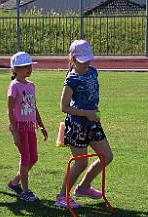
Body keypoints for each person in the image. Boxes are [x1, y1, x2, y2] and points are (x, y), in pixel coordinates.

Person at [55, 40, 113, 208]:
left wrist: (95, 112)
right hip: (77, 126)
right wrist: (87, 113)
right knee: (81, 162)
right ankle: (61, 197)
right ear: (72, 59)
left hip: (93, 123)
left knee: (107, 156)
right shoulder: (72, 79)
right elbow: (63, 107)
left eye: (88, 59)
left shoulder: (93, 72)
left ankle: (84, 187)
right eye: (82, 60)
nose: (87, 63)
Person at [6, 51, 48, 202]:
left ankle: (14, 183)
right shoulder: (14, 86)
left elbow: (34, 108)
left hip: (30, 126)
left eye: (30, 66)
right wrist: (15, 132)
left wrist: (41, 126)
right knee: (25, 158)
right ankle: (25, 191)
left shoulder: (31, 85)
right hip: (20, 127)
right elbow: (10, 110)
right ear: (15, 69)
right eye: (25, 67)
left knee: (33, 158)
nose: (29, 69)